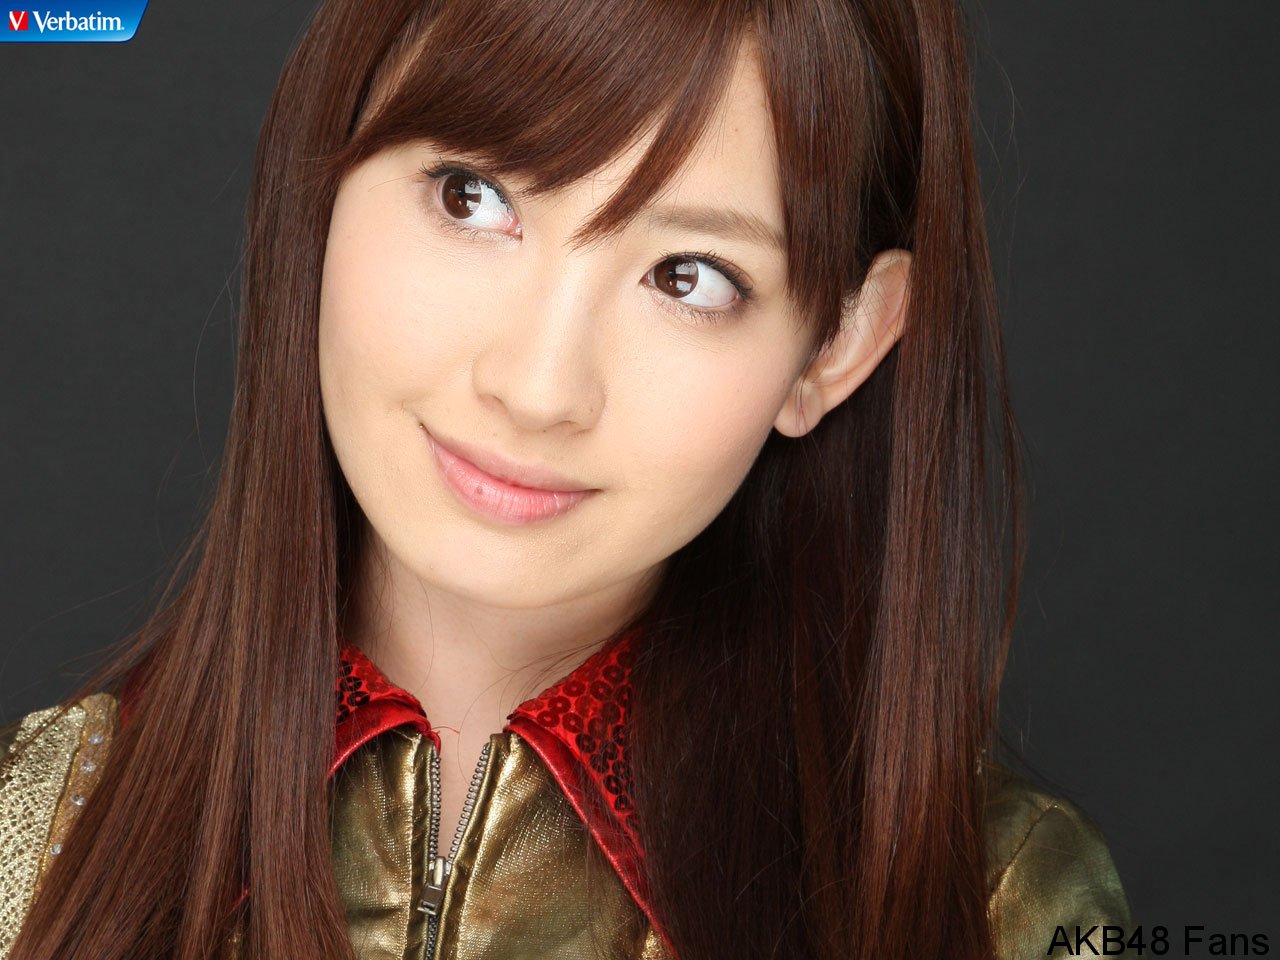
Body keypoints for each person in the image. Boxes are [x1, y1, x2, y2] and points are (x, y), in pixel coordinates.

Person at [0, 0, 1135, 958]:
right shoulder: (35, 827)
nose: (538, 389)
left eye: (688, 276)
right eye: (471, 196)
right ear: (322, 178)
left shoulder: (1000, 910)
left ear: (836, 346)